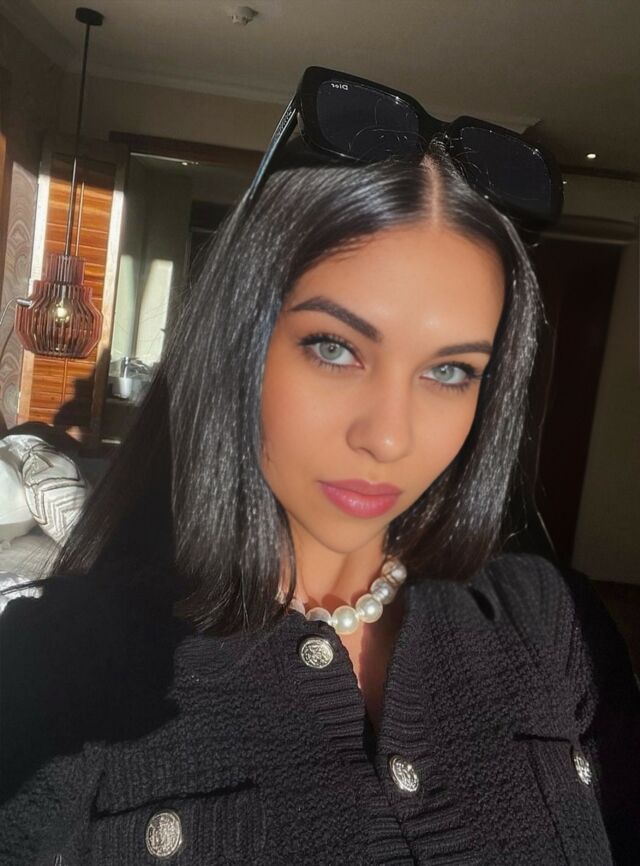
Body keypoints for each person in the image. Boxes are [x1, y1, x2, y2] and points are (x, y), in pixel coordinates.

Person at [1, 68, 638, 865]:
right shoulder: (60, 664)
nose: (389, 438)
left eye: (450, 371)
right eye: (334, 348)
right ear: (238, 345)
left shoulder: (552, 620)